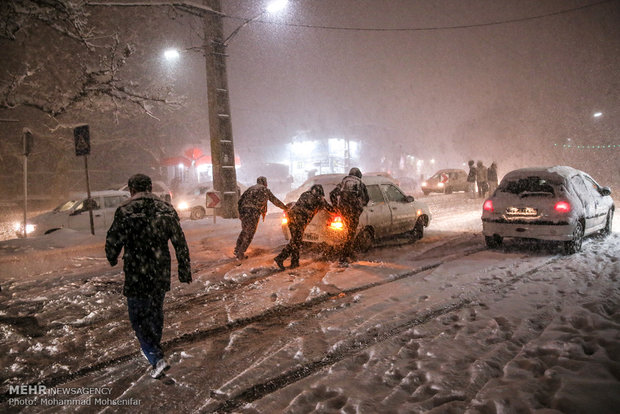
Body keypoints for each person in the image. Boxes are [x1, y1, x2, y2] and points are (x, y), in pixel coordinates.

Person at [105, 174, 192, 379]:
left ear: (131, 189)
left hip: (136, 270)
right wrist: (184, 268)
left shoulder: (125, 210)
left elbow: (114, 238)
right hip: (160, 269)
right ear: (151, 188)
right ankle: (154, 346)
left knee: (138, 317)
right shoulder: (166, 209)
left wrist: (112, 256)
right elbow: (180, 241)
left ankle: (155, 356)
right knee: (155, 311)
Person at [274, 184, 334, 270]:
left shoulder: (305, 194)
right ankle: (281, 258)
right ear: (321, 192)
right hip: (300, 220)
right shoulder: (320, 199)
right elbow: (330, 209)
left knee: (295, 240)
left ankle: (294, 262)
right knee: (296, 241)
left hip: (291, 217)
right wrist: (339, 212)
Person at [234, 176, 288, 260]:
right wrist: (284, 207)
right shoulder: (265, 190)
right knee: (250, 232)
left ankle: (237, 249)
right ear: (265, 183)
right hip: (253, 212)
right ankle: (241, 252)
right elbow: (274, 200)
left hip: (244, 211)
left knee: (244, 231)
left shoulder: (250, 189)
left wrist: (240, 213)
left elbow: (240, 201)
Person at [330, 167, 370, 266]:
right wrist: (361, 207)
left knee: (346, 233)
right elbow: (366, 198)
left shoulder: (343, 182)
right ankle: (344, 257)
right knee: (350, 234)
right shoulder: (360, 183)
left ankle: (346, 252)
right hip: (354, 212)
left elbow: (332, 194)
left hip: (343, 211)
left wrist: (336, 207)